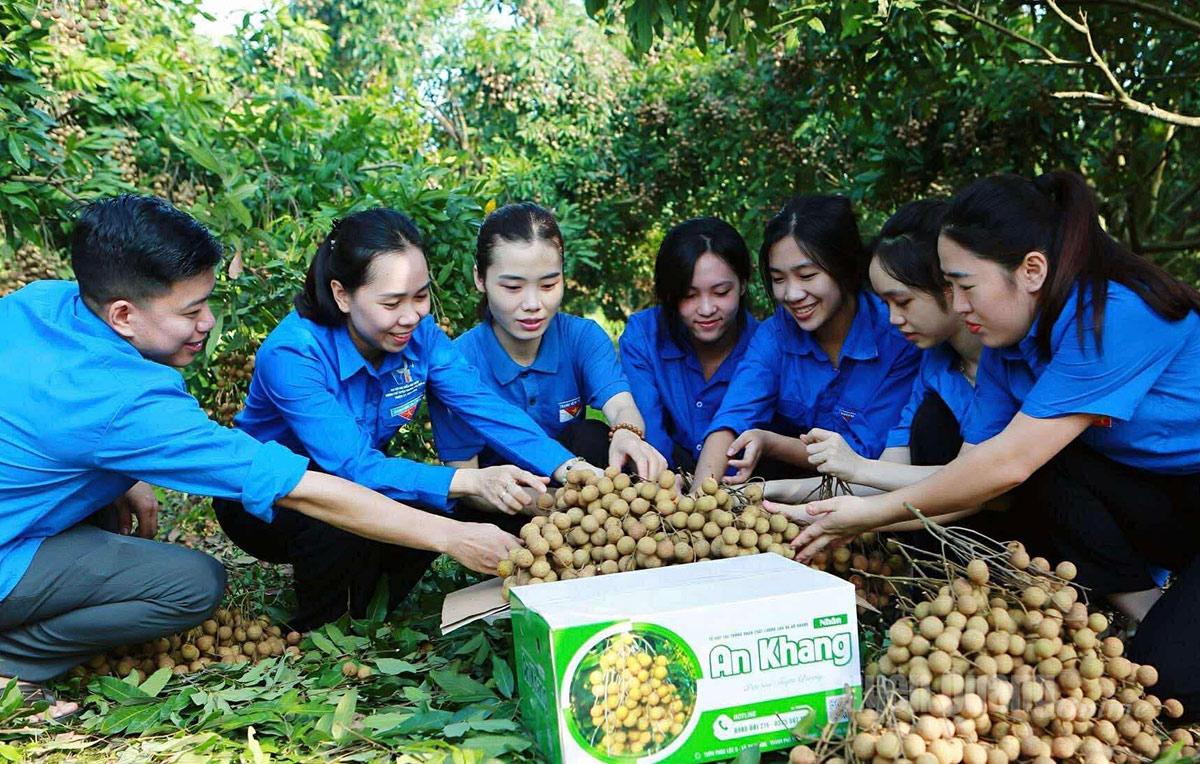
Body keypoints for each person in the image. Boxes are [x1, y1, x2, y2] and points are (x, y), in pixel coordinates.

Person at [0, 196, 519, 720]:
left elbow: (50, 425)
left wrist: (118, 473)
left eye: (207, 302)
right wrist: (452, 535)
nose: (207, 323)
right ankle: (11, 661)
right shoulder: (124, 400)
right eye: (190, 311)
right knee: (193, 586)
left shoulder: (44, 304)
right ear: (123, 314)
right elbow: (299, 485)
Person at [785, 171, 1200, 719]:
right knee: (1047, 465)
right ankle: (1144, 613)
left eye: (963, 285)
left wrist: (865, 513)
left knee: (1172, 691)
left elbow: (1006, 466)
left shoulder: (1110, 316)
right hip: (1163, 497)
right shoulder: (1009, 347)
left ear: (1031, 271)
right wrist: (798, 499)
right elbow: (974, 471)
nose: (955, 305)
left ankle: (1168, 638)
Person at [216, 207, 583, 630]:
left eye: (421, 296)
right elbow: (349, 466)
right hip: (271, 497)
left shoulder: (418, 336)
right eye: (391, 302)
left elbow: (485, 406)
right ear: (342, 294)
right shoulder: (294, 353)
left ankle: (371, 603)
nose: (411, 315)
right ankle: (319, 628)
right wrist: (469, 481)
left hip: (357, 480)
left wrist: (570, 468)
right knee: (340, 513)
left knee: (429, 505)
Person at [692, 193, 920, 485]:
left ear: (845, 267)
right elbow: (733, 418)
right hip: (796, 493)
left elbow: (865, 455)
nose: (792, 294)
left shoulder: (898, 336)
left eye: (807, 275)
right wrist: (700, 501)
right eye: (778, 279)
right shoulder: (775, 335)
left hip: (873, 493)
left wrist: (772, 443)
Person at [427, 202, 667, 480]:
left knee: (591, 435)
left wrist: (627, 433)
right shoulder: (456, 363)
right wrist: (550, 503)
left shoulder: (582, 338)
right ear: (480, 278)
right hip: (500, 502)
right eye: (513, 287)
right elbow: (466, 479)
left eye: (548, 285)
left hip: (582, 493)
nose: (533, 304)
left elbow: (621, 405)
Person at [770, 200, 981, 499]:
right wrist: (768, 491)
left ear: (951, 284)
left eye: (903, 302)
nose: (893, 319)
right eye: (886, 304)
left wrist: (857, 471)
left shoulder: (1011, 362)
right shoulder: (934, 365)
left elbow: (983, 480)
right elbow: (888, 470)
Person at [618, 217, 759, 471]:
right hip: (664, 468)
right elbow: (647, 424)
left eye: (721, 292)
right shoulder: (644, 335)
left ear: (743, 284)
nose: (706, 309)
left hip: (742, 474)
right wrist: (665, 486)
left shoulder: (764, 344)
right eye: (689, 295)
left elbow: (738, 421)